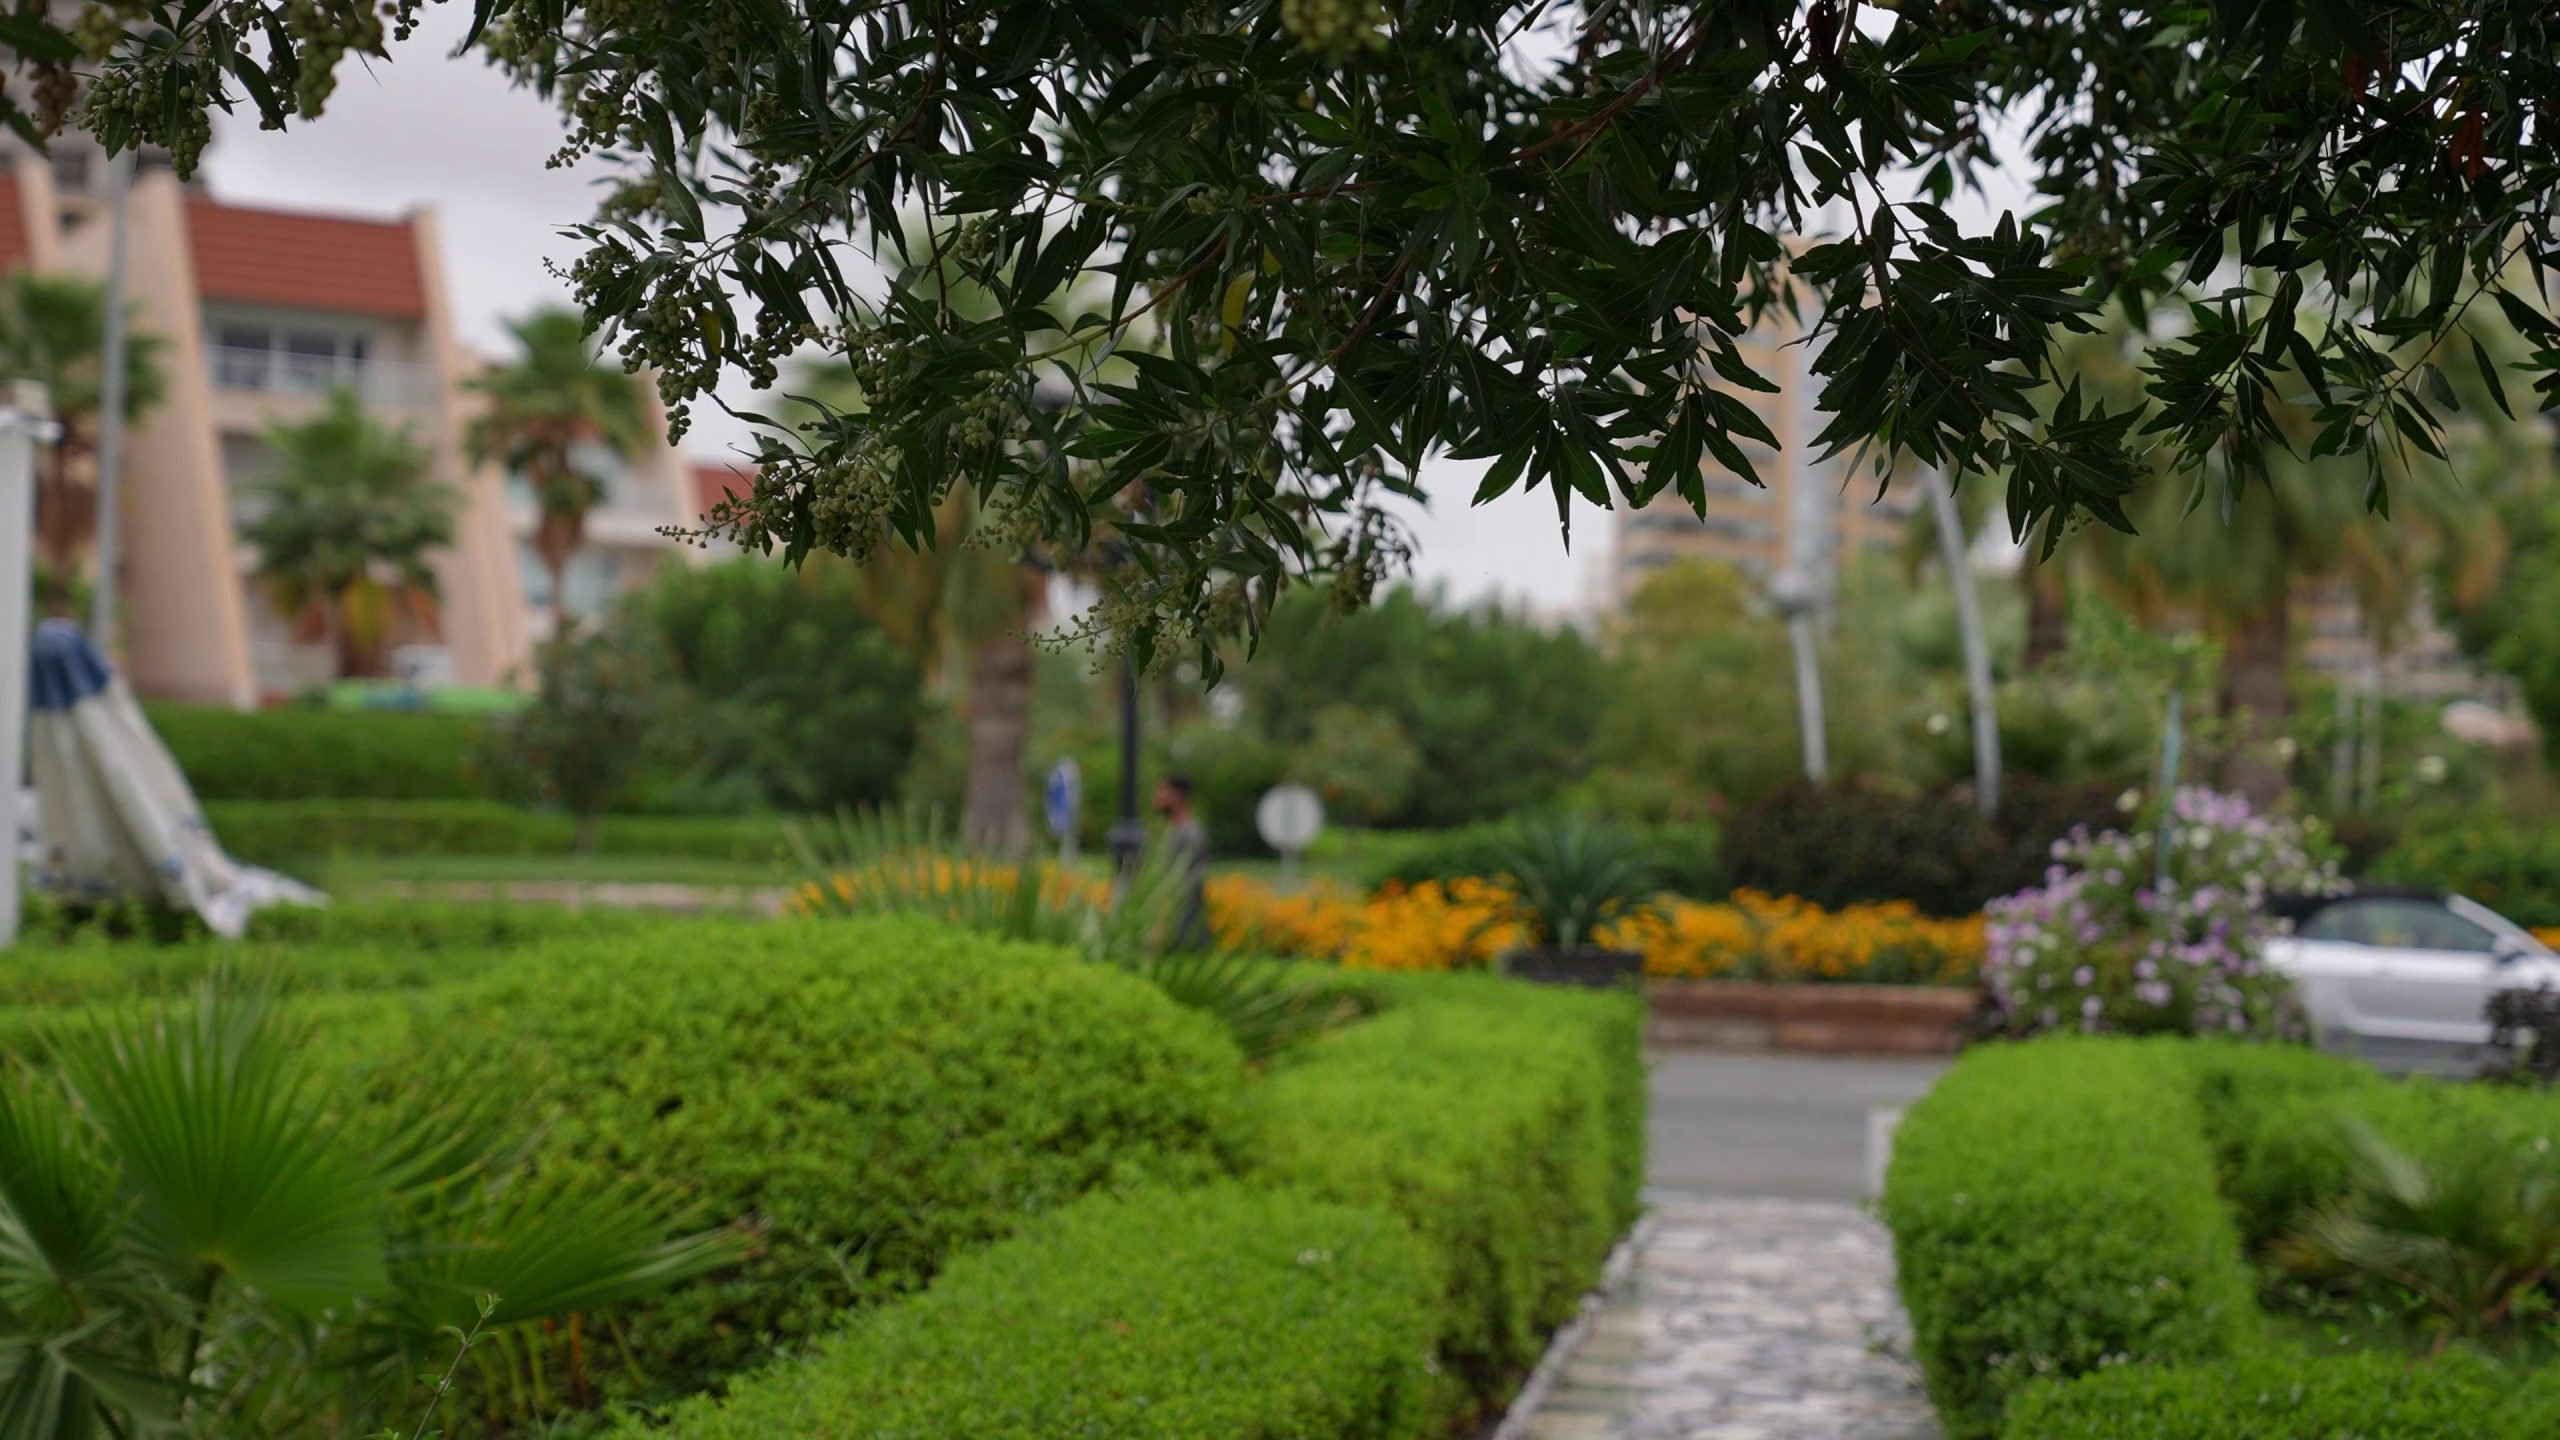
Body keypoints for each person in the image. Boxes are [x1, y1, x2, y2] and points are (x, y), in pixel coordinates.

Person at [1155, 772, 1210, 949]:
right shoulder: (1169, 832)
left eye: (1162, 790)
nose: (1157, 796)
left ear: (1177, 796)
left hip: (1183, 931)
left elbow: (1190, 883)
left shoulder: (1191, 834)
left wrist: (1163, 923)